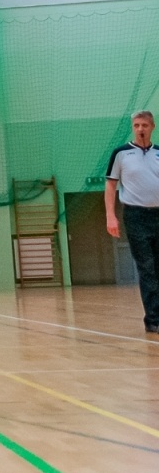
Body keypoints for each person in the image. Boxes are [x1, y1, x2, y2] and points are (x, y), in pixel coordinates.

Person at [105, 109, 159, 334]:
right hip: (136, 216)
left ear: (152, 127)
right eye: (136, 125)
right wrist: (110, 216)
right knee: (147, 267)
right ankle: (153, 319)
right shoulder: (121, 154)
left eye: (144, 125)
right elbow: (110, 185)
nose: (140, 129)